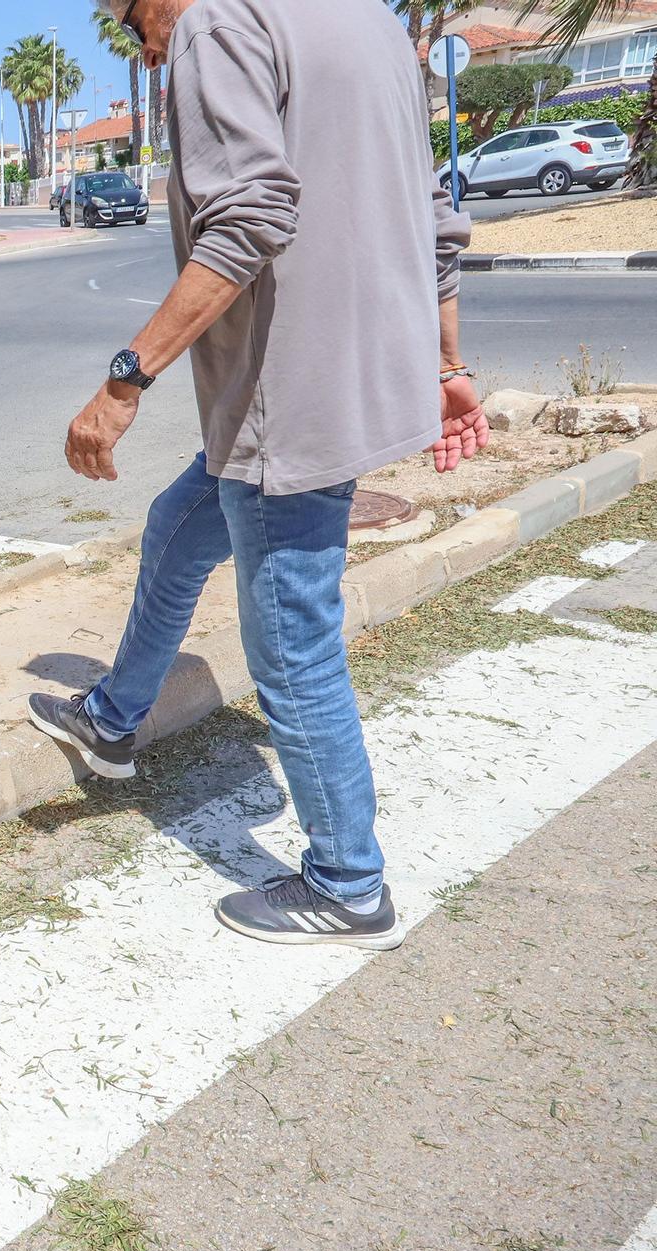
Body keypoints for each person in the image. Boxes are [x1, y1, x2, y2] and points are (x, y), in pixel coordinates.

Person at [27, 0, 488, 950]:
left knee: (290, 640)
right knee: (178, 523)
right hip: (350, 377)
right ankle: (115, 717)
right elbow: (437, 219)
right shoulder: (366, 21)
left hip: (289, 393)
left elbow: (247, 217)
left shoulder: (215, 24)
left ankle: (348, 881)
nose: (143, 48)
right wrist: (447, 366)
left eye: (128, 24)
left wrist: (127, 378)